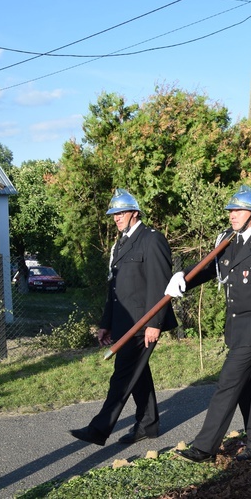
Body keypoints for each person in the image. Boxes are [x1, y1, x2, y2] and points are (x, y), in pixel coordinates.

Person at [165, 185, 251, 463]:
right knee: (247, 385)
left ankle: (204, 448)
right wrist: (183, 278)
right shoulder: (229, 241)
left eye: (237, 211)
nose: (232, 215)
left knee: (228, 382)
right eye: (230, 211)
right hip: (236, 325)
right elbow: (209, 268)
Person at [69, 188, 177, 446]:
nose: (116, 218)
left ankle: (99, 429)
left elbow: (161, 286)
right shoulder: (121, 243)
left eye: (121, 212)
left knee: (123, 375)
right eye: (114, 214)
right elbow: (114, 289)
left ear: (134, 212)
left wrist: (155, 323)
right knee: (138, 373)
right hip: (122, 323)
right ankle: (148, 424)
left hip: (142, 324)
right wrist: (106, 323)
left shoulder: (152, 239)